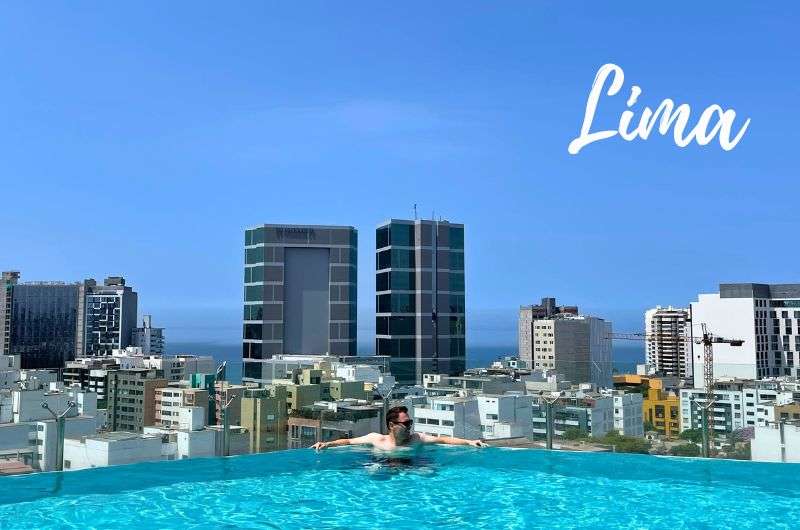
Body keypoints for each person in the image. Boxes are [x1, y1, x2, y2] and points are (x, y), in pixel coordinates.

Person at [310, 405, 488, 451]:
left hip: (410, 466)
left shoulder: (416, 439)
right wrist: (327, 444)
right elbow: (348, 441)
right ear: (391, 425)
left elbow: (443, 439)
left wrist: (469, 441)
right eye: (406, 424)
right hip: (385, 465)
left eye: (410, 423)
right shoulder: (376, 440)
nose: (409, 427)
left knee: (427, 473)